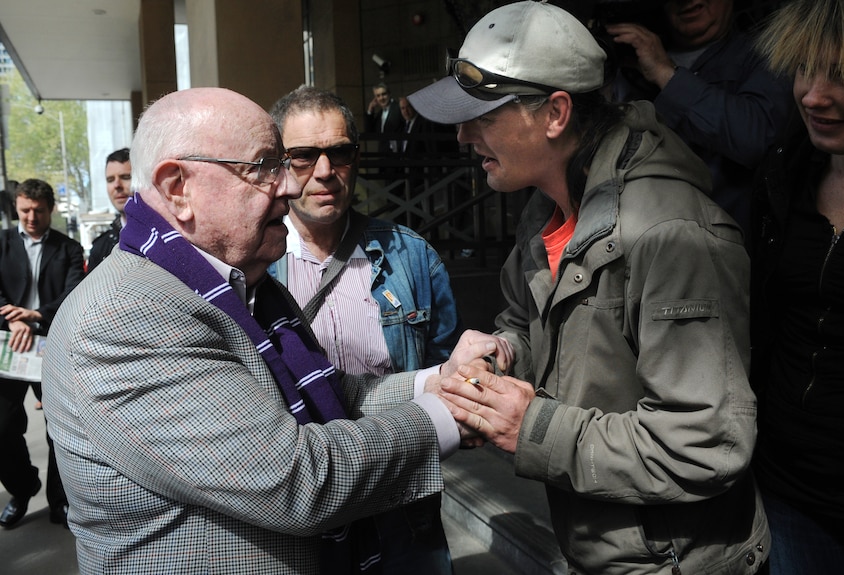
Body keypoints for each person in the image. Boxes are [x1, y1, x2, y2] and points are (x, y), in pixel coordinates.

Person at [40, 86, 511, 574]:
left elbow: (331, 394)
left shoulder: (242, 284)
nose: (289, 185)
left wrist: (434, 382)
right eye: (266, 165)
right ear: (178, 186)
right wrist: (448, 413)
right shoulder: (125, 316)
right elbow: (297, 479)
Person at [409, 1, 768, 573]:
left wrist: (532, 428)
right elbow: (537, 330)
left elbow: (705, 445)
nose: (461, 136)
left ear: (555, 114)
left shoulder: (669, 232)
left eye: (484, 116)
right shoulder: (547, 208)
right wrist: (503, 356)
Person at [268, 85, 460, 575]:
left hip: (402, 506)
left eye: (340, 153)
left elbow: (442, 368)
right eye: (305, 156)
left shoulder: (410, 256)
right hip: (300, 515)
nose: (325, 172)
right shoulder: (251, 267)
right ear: (279, 163)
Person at [750, 1, 844, 572]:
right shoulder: (784, 176)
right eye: (804, 70)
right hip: (792, 491)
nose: (815, 96)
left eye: (843, 75)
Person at [605, 0, 793, 235]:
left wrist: (666, 74)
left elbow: (756, 140)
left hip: (720, 240)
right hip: (638, 235)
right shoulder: (632, 60)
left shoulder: (763, 55)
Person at [0, 178, 85, 529]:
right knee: (2, 428)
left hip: (51, 345)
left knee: (60, 431)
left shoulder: (69, 248)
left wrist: (36, 316)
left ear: (51, 210)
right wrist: (10, 316)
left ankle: (59, 502)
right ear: (16, 209)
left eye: (38, 210)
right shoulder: (2, 242)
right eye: (24, 211)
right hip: (11, 345)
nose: (31, 217)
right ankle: (23, 489)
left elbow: (73, 291)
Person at [87, 147, 131, 271]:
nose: (117, 185)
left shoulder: (168, 236)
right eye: (110, 180)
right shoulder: (100, 248)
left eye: (125, 177)